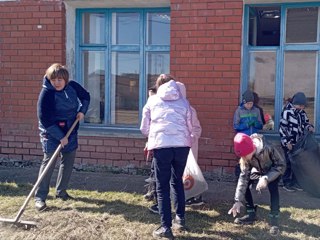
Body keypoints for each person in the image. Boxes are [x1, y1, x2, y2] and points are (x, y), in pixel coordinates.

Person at [140, 74, 193, 239]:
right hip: (182, 146)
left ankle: (166, 227)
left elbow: (143, 128)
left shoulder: (152, 101)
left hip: (161, 146)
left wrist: (153, 136)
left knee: (162, 186)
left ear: (157, 86)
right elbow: (190, 125)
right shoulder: (184, 102)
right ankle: (181, 218)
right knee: (177, 181)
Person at [35, 63, 90, 211]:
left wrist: (82, 111)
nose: (56, 83)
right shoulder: (46, 93)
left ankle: (61, 192)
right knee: (49, 164)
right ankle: (40, 198)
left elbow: (86, 96)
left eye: (60, 79)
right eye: (53, 79)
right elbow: (44, 119)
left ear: (65, 79)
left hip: (70, 131)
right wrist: (60, 136)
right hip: (51, 132)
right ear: (49, 79)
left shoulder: (72, 86)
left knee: (68, 161)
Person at [228, 133, 286, 236]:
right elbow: (243, 178)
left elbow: (281, 165)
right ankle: (251, 214)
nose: (244, 158)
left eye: (245, 155)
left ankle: (274, 220)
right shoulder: (246, 157)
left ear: (251, 149)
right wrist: (237, 200)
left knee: (273, 188)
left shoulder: (268, 148)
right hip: (257, 170)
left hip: (273, 170)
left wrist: (266, 178)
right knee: (244, 183)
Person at [279, 92, 314, 192]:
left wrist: (309, 127)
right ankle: (286, 183)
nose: (302, 107)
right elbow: (282, 128)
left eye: (303, 106)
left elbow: (305, 123)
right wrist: (287, 142)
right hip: (289, 143)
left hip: (298, 143)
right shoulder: (287, 112)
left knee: (298, 164)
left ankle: (295, 182)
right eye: (301, 105)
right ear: (296, 103)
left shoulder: (302, 113)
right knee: (289, 163)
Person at [176, 82, 203, 207]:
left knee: (190, 171)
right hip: (174, 146)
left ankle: (192, 195)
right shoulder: (167, 109)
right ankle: (180, 196)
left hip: (188, 146)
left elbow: (197, 128)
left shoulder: (190, 110)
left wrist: (192, 138)